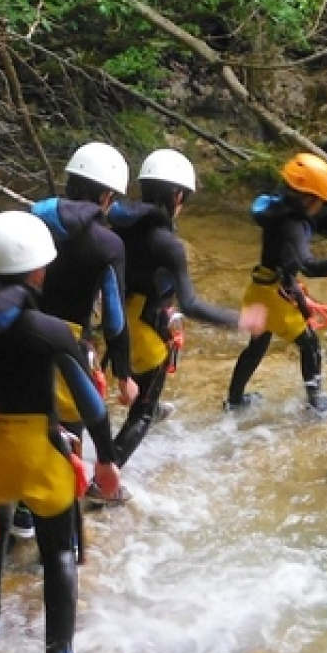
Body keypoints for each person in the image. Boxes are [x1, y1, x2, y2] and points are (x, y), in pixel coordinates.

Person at [0, 211, 121, 653]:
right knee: (60, 553)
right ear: (37, 270)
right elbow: (90, 405)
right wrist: (105, 459)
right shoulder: (50, 331)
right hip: (39, 455)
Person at [108, 149, 264, 472]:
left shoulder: (116, 224)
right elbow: (190, 304)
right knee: (143, 414)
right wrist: (239, 320)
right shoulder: (168, 244)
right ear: (177, 196)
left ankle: (146, 412)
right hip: (148, 334)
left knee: (143, 391)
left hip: (116, 325)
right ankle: (106, 477)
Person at [19, 142, 134, 534]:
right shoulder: (108, 244)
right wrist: (125, 372)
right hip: (71, 343)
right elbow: (115, 318)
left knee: (24, 417)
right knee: (72, 428)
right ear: (106, 196)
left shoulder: (34, 218)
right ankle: (63, 514)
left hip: (21, 330)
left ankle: (20, 508)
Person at [224, 153, 327, 414]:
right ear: (309, 198)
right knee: (310, 344)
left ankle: (234, 401)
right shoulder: (295, 225)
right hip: (273, 294)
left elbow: (285, 261)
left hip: (259, 286)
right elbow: (308, 266)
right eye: (321, 201)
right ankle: (315, 404)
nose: (321, 207)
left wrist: (299, 296)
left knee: (257, 345)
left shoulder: (277, 210)